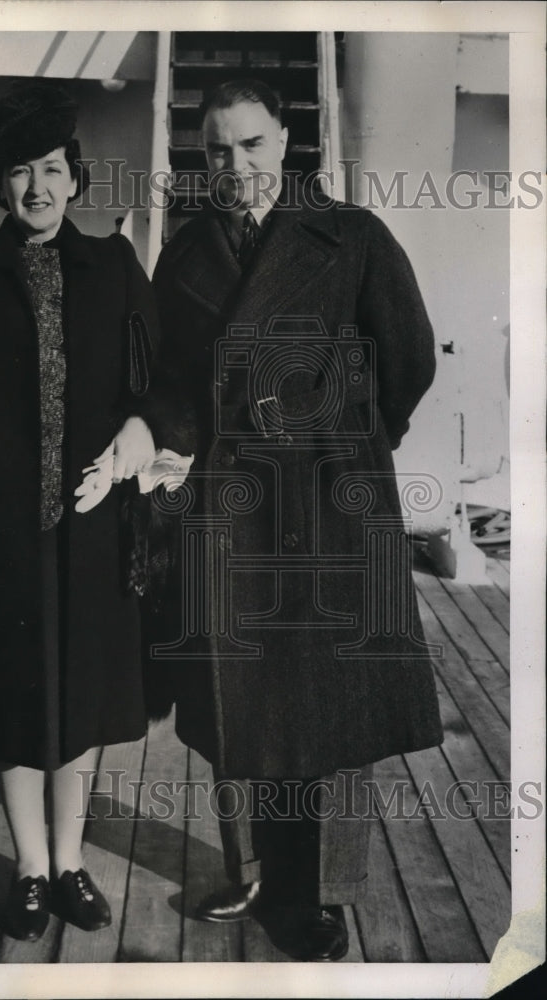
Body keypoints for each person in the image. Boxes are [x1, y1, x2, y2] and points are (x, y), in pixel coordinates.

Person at [143, 79, 444, 960]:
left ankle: (315, 892)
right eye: (219, 152)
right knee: (234, 706)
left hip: (324, 504)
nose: (237, 167)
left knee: (322, 710)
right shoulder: (185, 251)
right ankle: (255, 873)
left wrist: (344, 445)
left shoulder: (351, 237)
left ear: (288, 141)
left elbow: (409, 357)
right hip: (229, 509)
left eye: (254, 145)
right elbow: (170, 381)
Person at [0, 82, 157, 941]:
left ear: (76, 181)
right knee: (16, 698)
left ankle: (73, 859)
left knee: (77, 697)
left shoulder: (115, 267)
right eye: (19, 173)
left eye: (52, 169)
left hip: (90, 528)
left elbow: (157, 378)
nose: (38, 188)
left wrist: (138, 424)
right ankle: (33, 871)